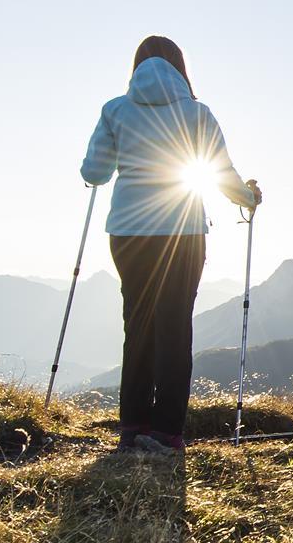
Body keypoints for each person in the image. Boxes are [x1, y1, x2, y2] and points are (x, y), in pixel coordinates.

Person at [81, 35, 260, 453]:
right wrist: (249, 198)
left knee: (137, 324)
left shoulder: (115, 110)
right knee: (175, 327)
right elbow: (221, 173)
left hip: (127, 232)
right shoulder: (197, 114)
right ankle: (166, 431)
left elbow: (95, 173)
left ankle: (132, 425)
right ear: (181, 67)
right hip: (182, 232)